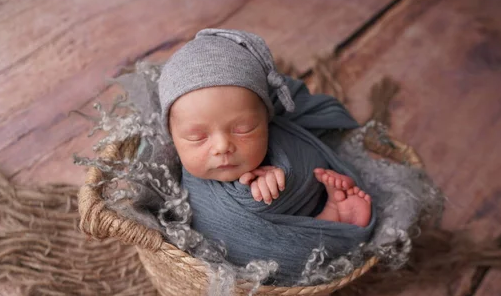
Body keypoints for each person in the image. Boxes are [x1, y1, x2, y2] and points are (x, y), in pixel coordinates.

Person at [157, 28, 376, 283]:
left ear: (266, 119)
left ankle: (328, 214)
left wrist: (281, 176)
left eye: (244, 129)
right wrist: (250, 193)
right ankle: (329, 221)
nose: (222, 146)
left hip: (295, 215)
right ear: (172, 136)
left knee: (298, 172)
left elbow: (311, 158)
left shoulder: (285, 139)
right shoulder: (173, 175)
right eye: (197, 137)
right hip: (239, 244)